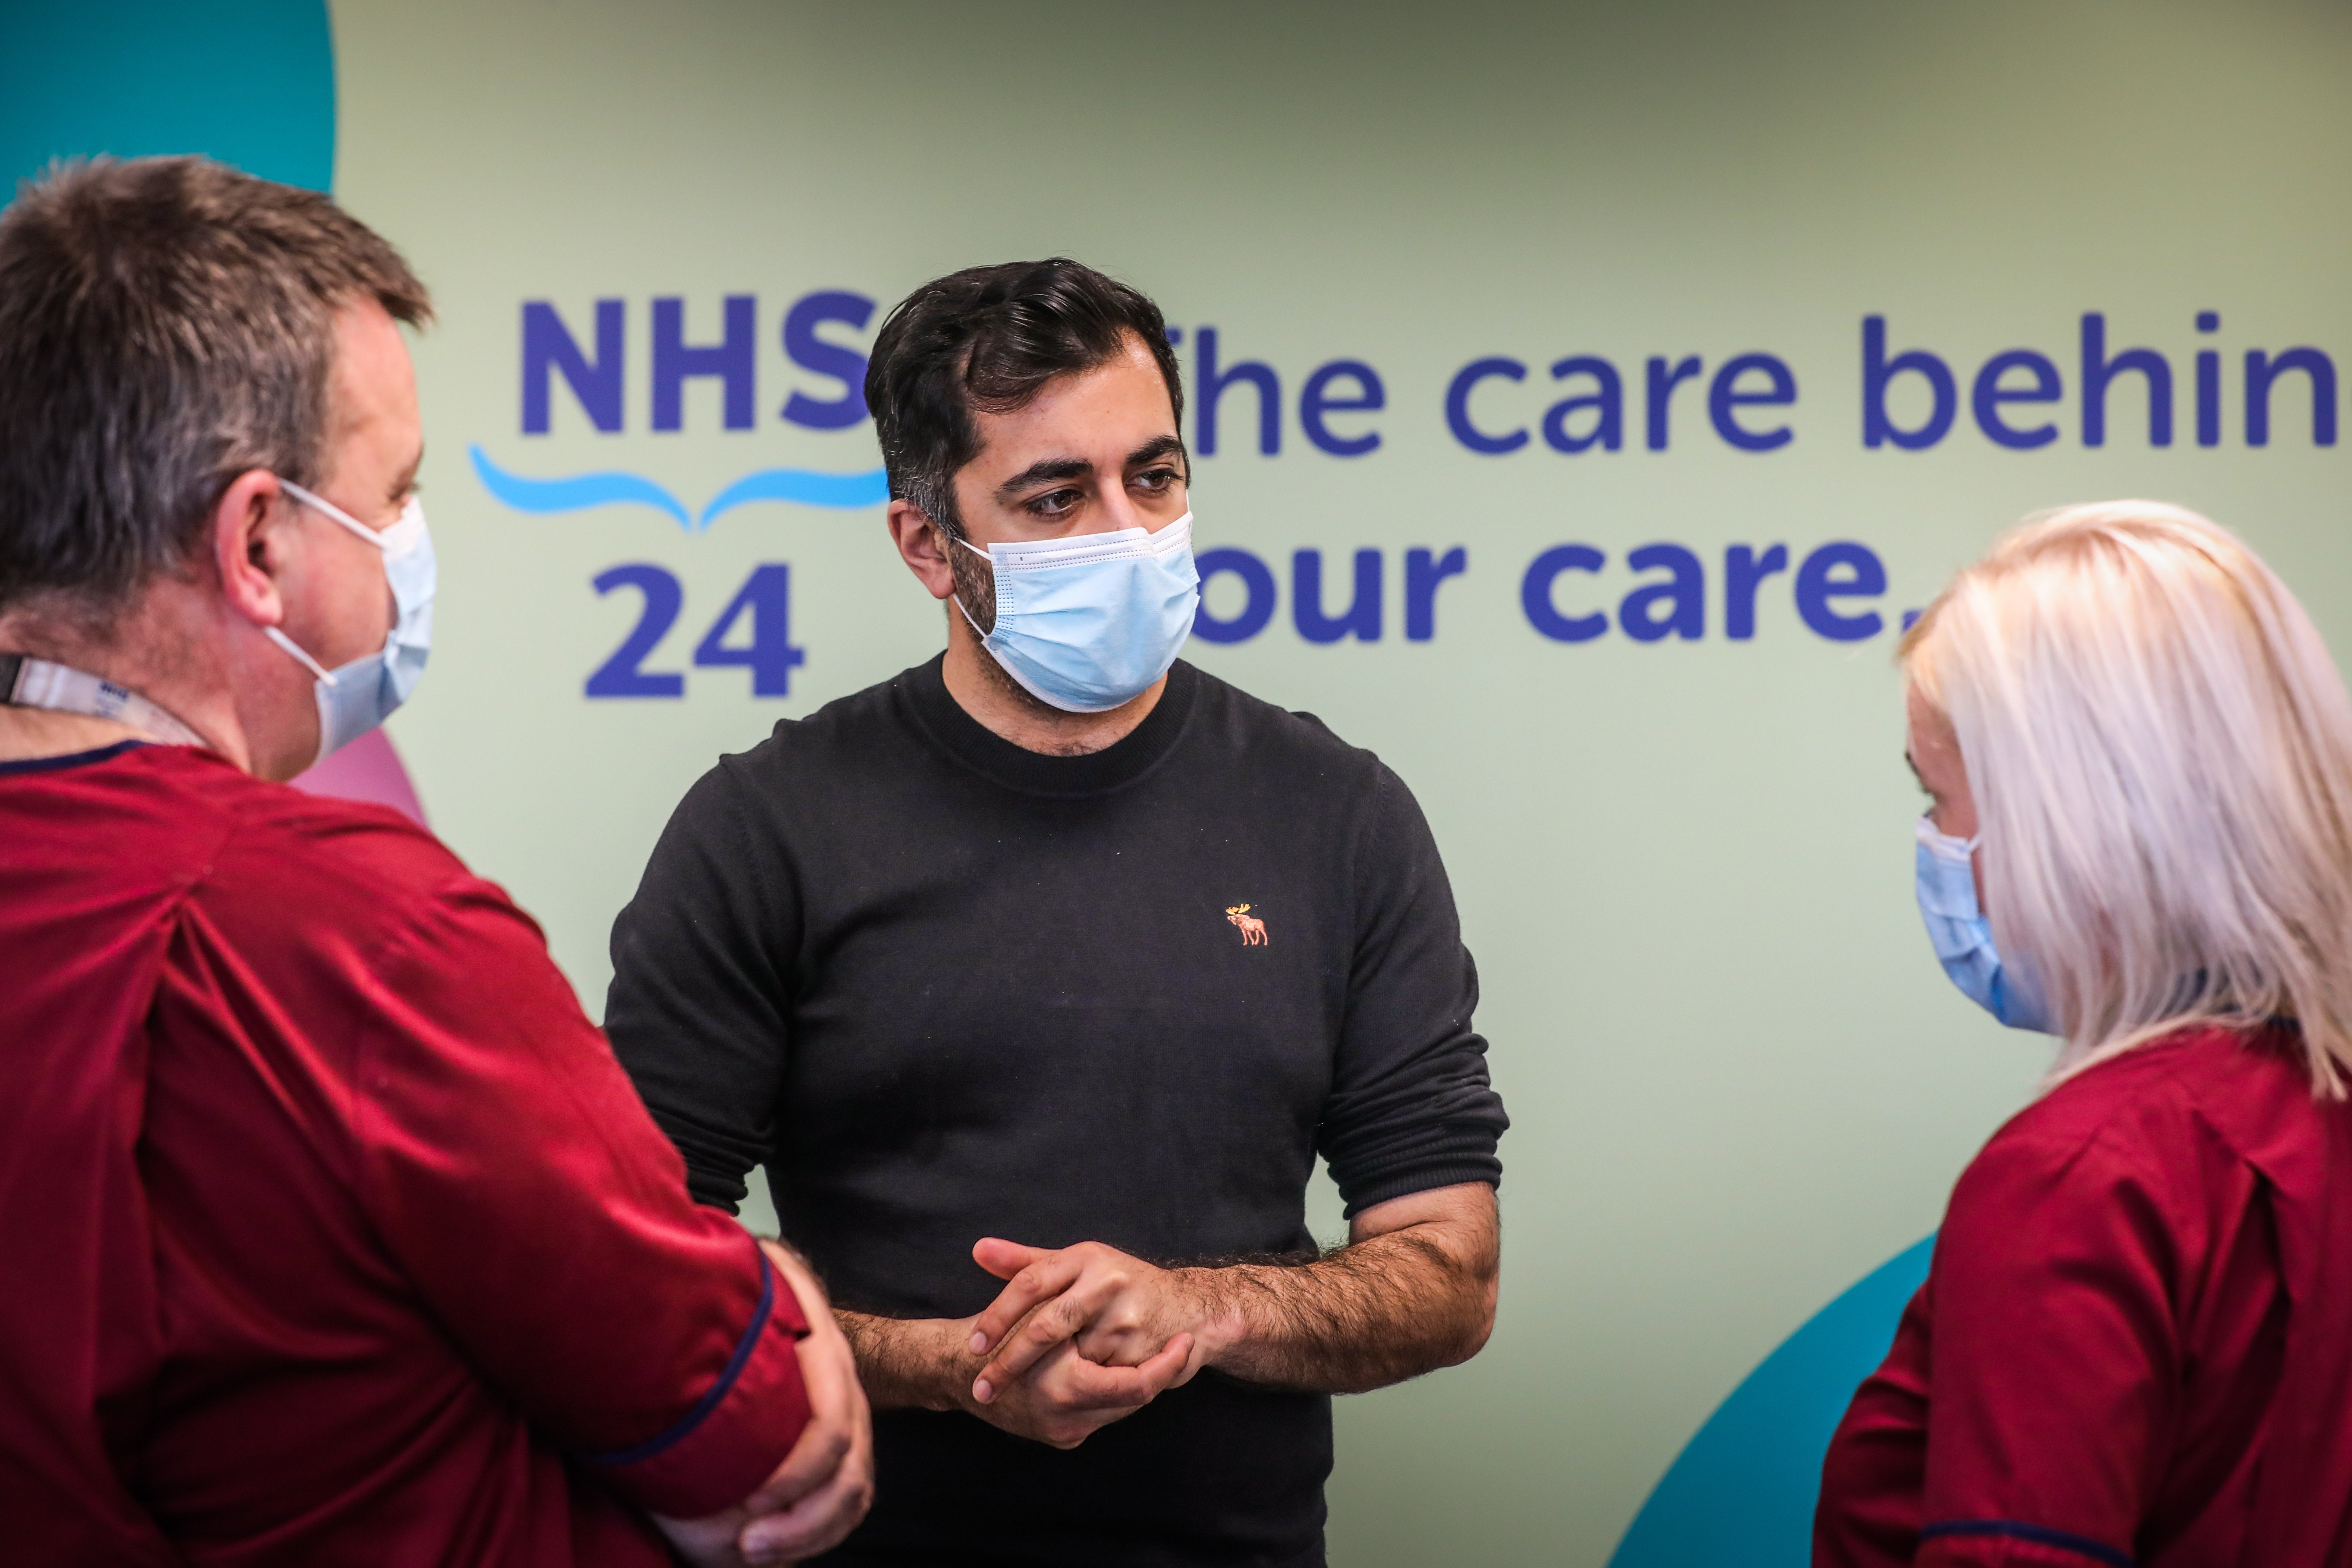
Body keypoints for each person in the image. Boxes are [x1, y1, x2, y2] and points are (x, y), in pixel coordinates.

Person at [0, 157, 871, 1567]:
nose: (412, 544)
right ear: (260, 543)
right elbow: (757, 1432)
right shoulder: (364, 934)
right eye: (393, 492)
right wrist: (788, 1293)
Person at [606, 258, 1508, 1567]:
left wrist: (1198, 1310)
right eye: (1054, 495)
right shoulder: (768, 827)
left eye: (1154, 476)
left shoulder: (1339, 815)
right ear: (928, 544)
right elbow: (636, 1273)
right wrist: (955, 1363)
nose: (1128, 531)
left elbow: (1449, 1275)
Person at [1815, 501, 2352, 1566]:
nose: (1936, 848)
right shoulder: (2312, 1116)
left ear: (2074, 814)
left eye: (1943, 798)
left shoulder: (2083, 1176)